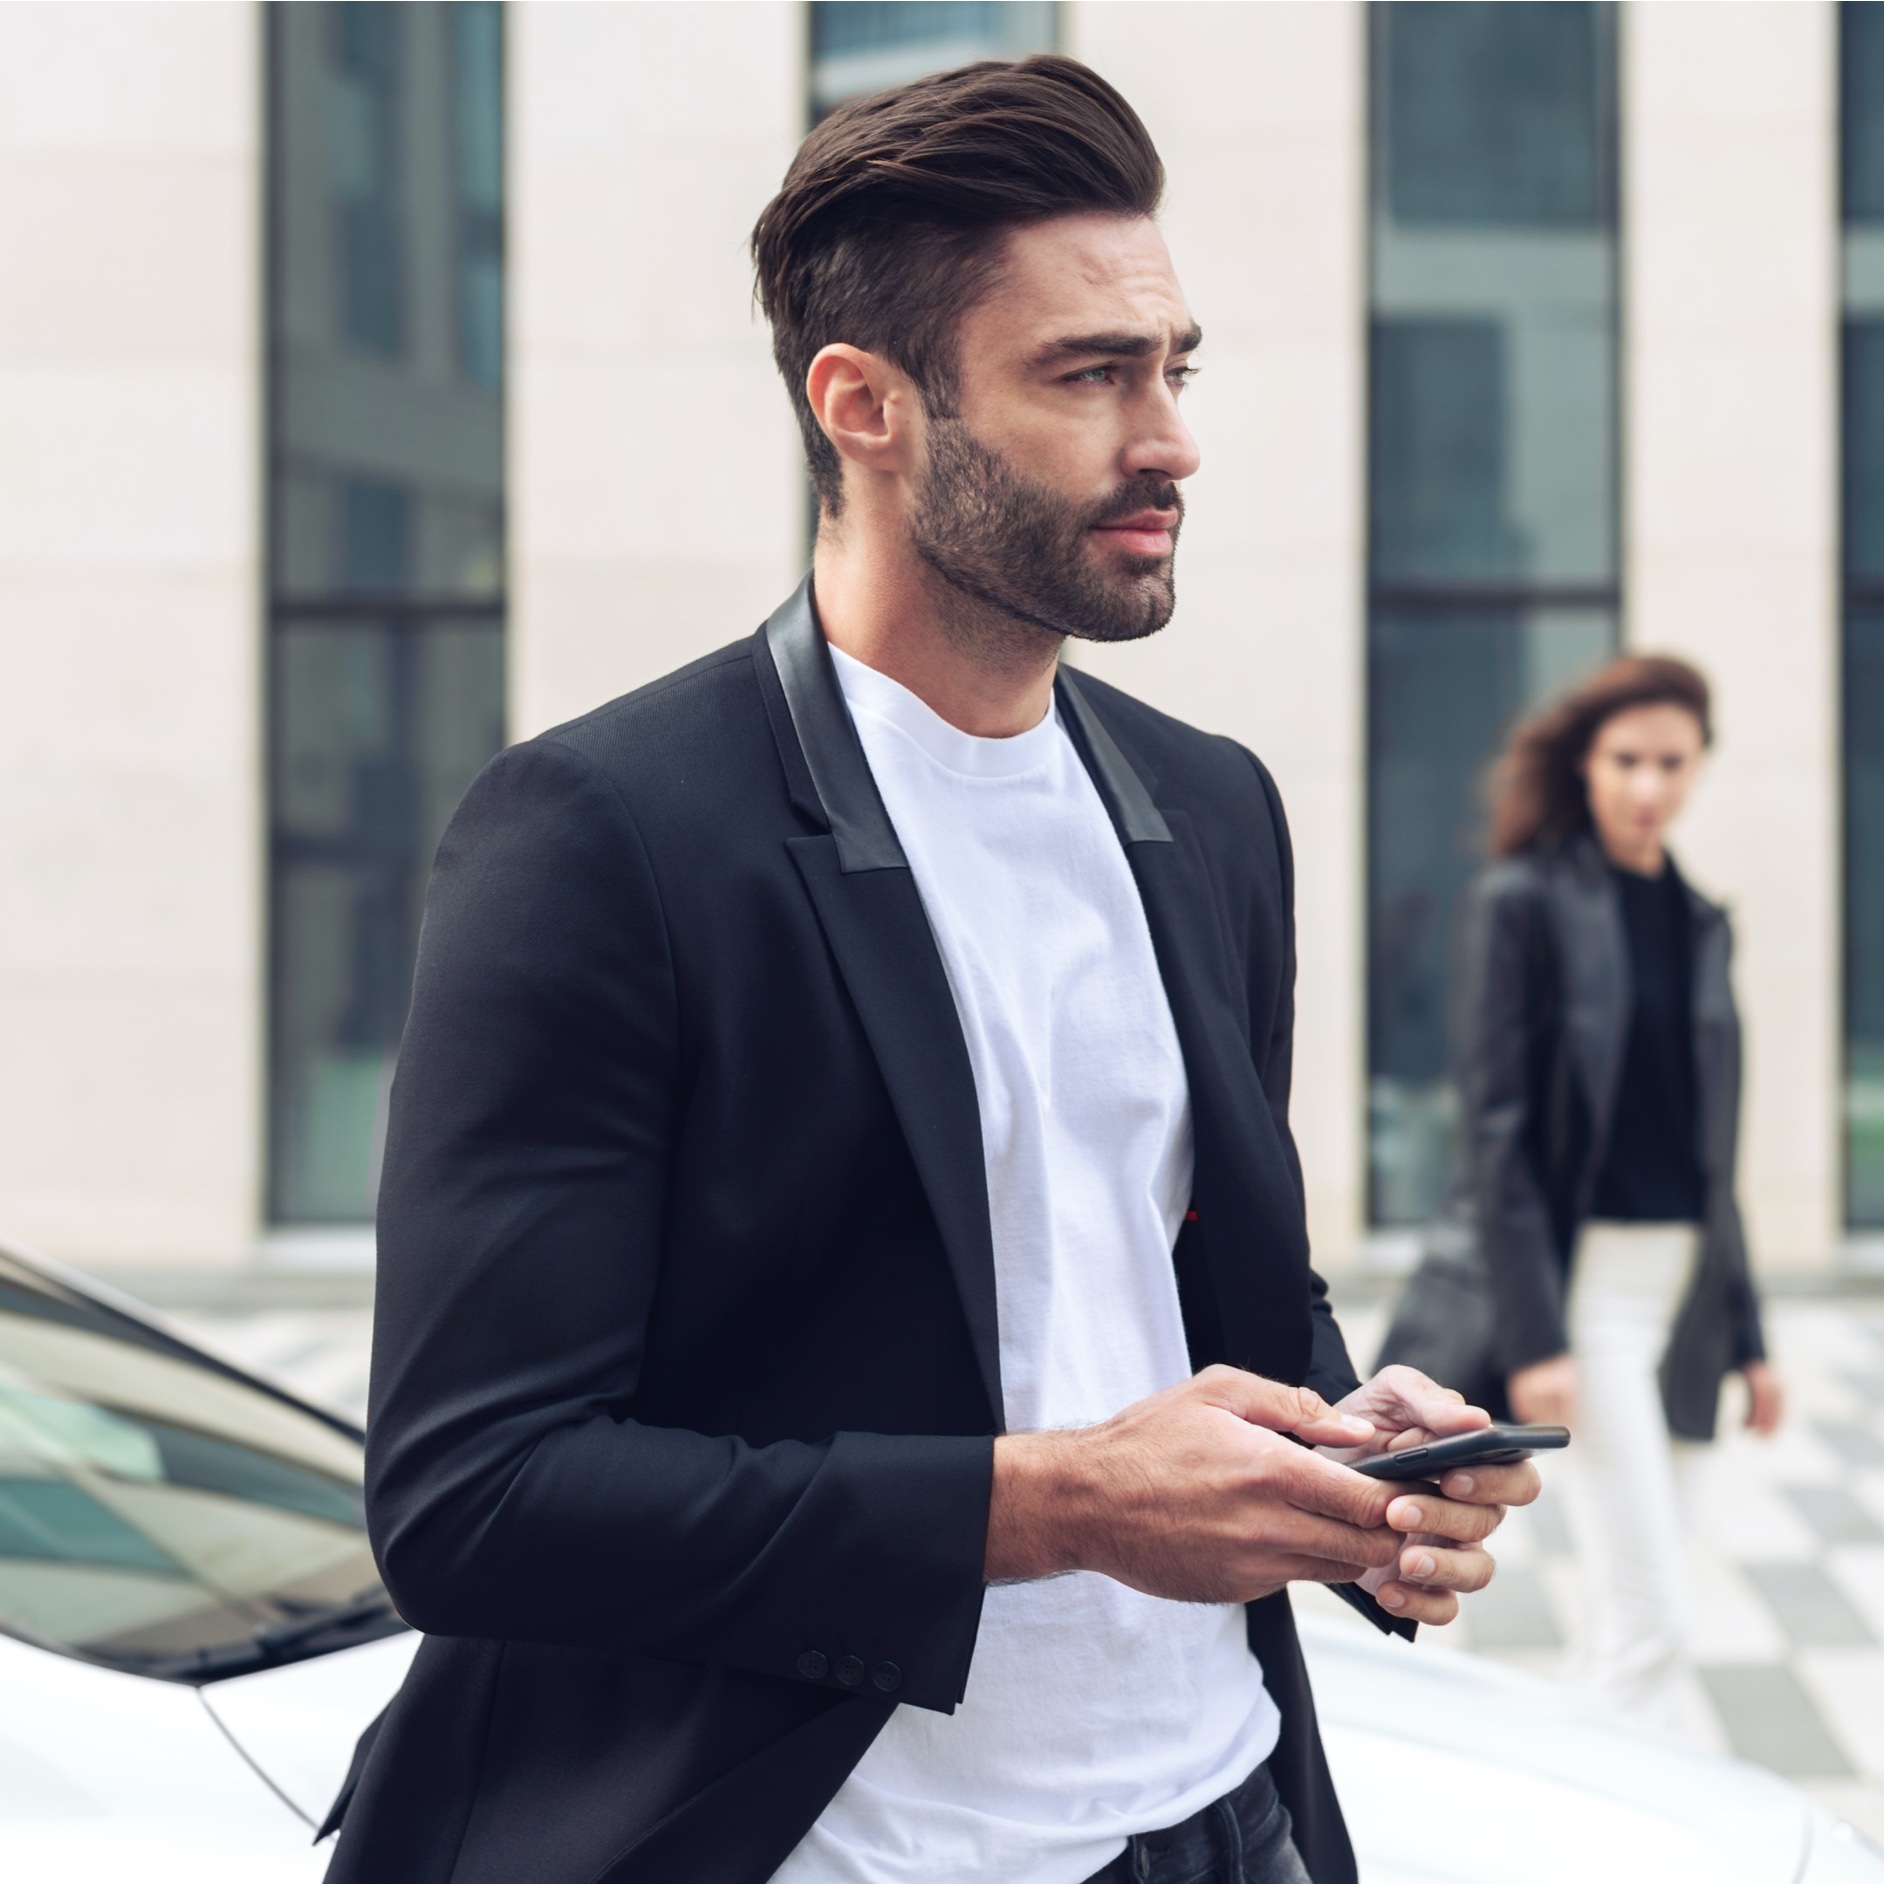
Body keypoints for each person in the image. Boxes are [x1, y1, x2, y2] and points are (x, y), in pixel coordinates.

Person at [324, 57, 1536, 1884]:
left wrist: (1349, 1465)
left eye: (1172, 367)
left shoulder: (1208, 810)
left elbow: (1207, 1302)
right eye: (1085, 375)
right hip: (826, 1842)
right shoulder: (600, 832)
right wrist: (1052, 1499)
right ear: (864, 404)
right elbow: (475, 1493)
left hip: (1220, 1818)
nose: (1168, 439)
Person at [1457, 653, 1782, 1742]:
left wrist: (1751, 1334)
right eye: (1628, 760)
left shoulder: (1697, 918)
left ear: (1700, 770)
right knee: (1653, 1617)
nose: (1650, 785)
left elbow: (1710, 1147)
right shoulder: (1526, 904)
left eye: (1672, 763)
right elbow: (1495, 1134)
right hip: (1588, 1297)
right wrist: (1535, 1332)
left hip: (1688, 1292)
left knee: (1624, 1607)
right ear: (1587, 766)